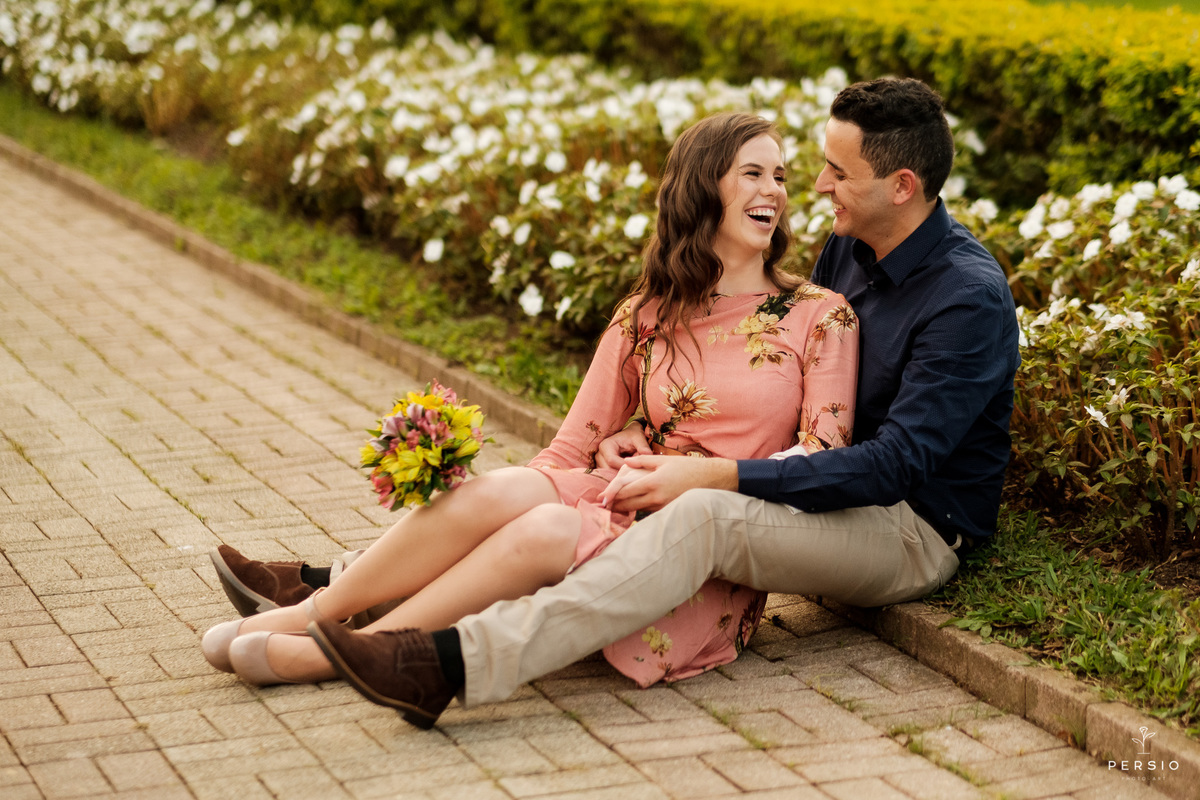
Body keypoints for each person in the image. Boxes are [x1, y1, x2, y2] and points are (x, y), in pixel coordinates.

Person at [295, 76, 1021, 729]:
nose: (819, 186)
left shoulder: (967, 297)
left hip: (908, 529)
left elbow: (893, 469)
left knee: (702, 511)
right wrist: (647, 424)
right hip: (819, 488)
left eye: (838, 171)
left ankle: (448, 664)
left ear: (901, 186)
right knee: (566, 492)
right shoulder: (853, 248)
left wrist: (710, 474)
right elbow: (769, 367)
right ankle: (345, 589)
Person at [200, 111, 860, 719]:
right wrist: (594, 461)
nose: (774, 189)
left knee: (547, 527)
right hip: (622, 498)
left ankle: (349, 647)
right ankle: (312, 613)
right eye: (752, 173)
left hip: (698, 543)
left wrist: (697, 475)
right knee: (516, 488)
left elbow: (819, 459)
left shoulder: (818, 315)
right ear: (701, 187)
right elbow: (569, 451)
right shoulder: (649, 314)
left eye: (780, 176)